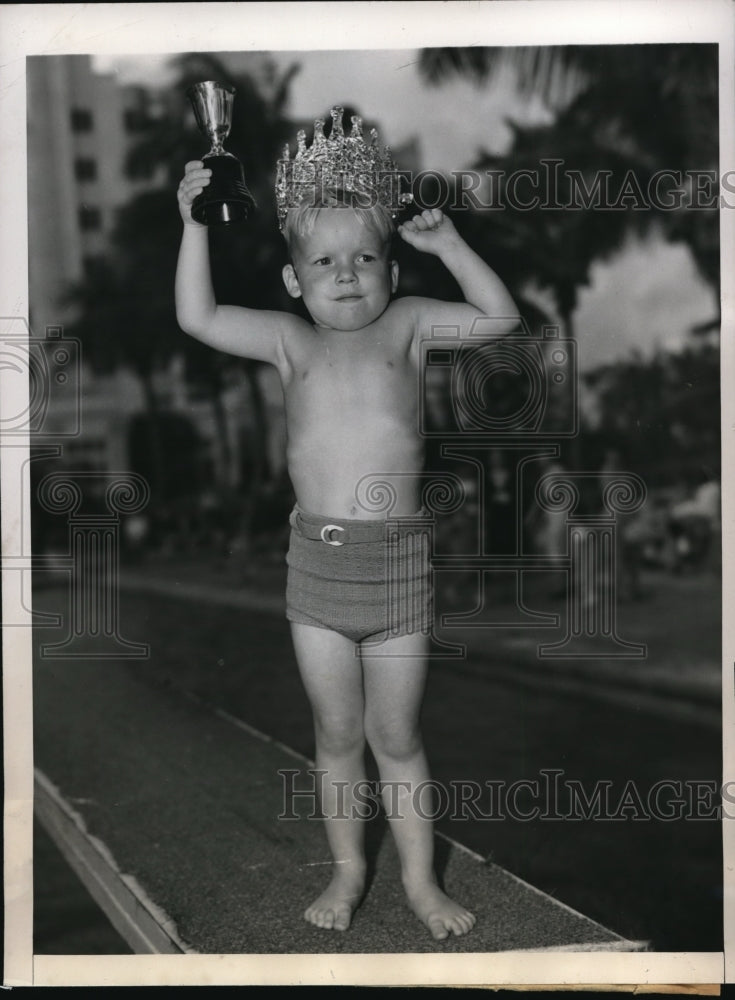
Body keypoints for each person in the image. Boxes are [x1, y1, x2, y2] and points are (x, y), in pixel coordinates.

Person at [175, 108, 519, 941]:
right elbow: (199, 318)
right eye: (323, 261)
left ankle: (418, 880)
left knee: (395, 734)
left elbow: (500, 320)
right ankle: (347, 867)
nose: (346, 274)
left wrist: (451, 249)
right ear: (294, 280)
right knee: (335, 734)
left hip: (397, 570)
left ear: (390, 272)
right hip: (318, 572)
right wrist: (192, 225)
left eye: (365, 257)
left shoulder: (406, 328)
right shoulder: (289, 343)